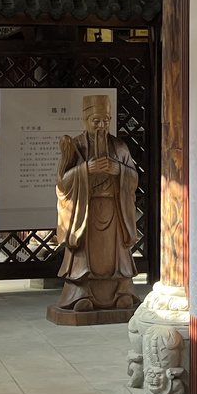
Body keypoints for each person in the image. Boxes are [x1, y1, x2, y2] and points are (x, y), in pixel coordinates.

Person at [53, 94, 140, 313]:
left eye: (105, 120)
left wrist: (119, 170)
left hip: (115, 210)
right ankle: (82, 294)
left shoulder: (119, 147)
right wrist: (85, 170)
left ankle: (122, 292)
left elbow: (134, 178)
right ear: (85, 120)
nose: (102, 126)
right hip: (86, 212)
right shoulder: (75, 146)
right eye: (96, 121)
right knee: (84, 258)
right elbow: (62, 183)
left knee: (117, 257)